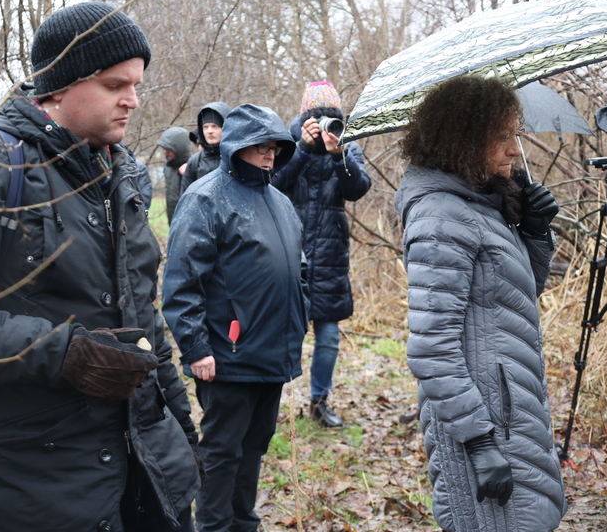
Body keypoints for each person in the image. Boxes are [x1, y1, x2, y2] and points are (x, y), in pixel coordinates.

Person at [0, 1, 201, 531]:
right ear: (57, 88)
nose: (132, 100)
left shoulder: (125, 174)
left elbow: (144, 320)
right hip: (32, 486)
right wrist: (64, 353)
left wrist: (180, 429)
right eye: (113, 85)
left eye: (135, 85)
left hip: (143, 471)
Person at [394, 76, 566, 532]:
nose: (514, 149)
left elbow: (519, 293)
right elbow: (431, 347)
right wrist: (479, 441)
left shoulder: (483, 204)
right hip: (484, 419)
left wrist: (534, 231)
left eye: (516, 134)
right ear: (465, 140)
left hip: (510, 406)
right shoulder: (440, 215)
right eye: (502, 136)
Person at [162, 104, 308, 532]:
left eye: (275, 148)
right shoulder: (204, 197)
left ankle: (243, 523)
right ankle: (213, 526)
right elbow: (182, 280)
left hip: (273, 350)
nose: (269, 155)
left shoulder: (280, 201)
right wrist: (196, 347)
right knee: (223, 451)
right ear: (237, 146)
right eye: (261, 147)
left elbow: (298, 269)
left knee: (255, 445)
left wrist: (299, 321)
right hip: (226, 355)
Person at [272, 81, 371, 428]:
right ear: (304, 119)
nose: (324, 123)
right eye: (316, 117)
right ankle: (269, 403)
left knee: (328, 338)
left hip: (330, 252)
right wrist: (302, 148)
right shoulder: (286, 144)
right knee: (283, 333)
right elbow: (273, 184)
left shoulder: (346, 145)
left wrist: (338, 154)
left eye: (330, 117)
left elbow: (357, 189)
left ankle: (319, 402)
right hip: (290, 250)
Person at [181, 102, 230, 192]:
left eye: (215, 126)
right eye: (205, 127)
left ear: (226, 128)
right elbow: (186, 196)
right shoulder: (195, 161)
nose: (209, 131)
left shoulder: (237, 157)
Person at [156, 126, 193, 223]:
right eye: (164, 148)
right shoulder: (168, 166)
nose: (165, 151)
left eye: (168, 149)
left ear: (180, 148)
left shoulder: (194, 167)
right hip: (173, 221)